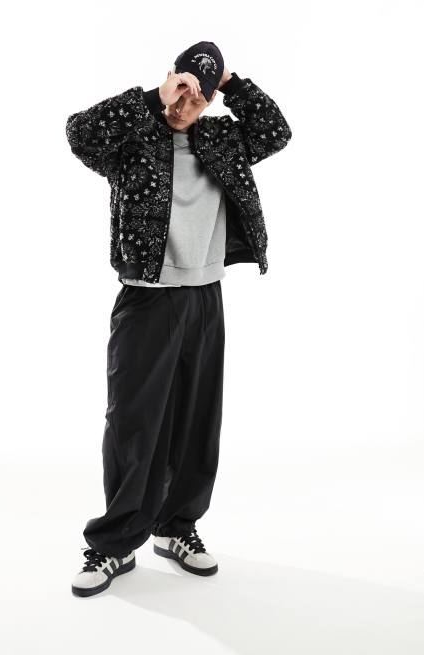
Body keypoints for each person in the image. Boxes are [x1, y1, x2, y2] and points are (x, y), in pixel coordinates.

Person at [66, 41, 292, 597]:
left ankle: (176, 527)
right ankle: (115, 544)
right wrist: (152, 97)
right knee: (134, 425)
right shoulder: (133, 137)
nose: (184, 102)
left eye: (198, 95)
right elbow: (80, 134)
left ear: (211, 100)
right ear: (169, 79)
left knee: (196, 422)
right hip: (147, 300)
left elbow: (275, 131)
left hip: (205, 298)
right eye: (181, 87)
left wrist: (231, 83)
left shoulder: (222, 140)